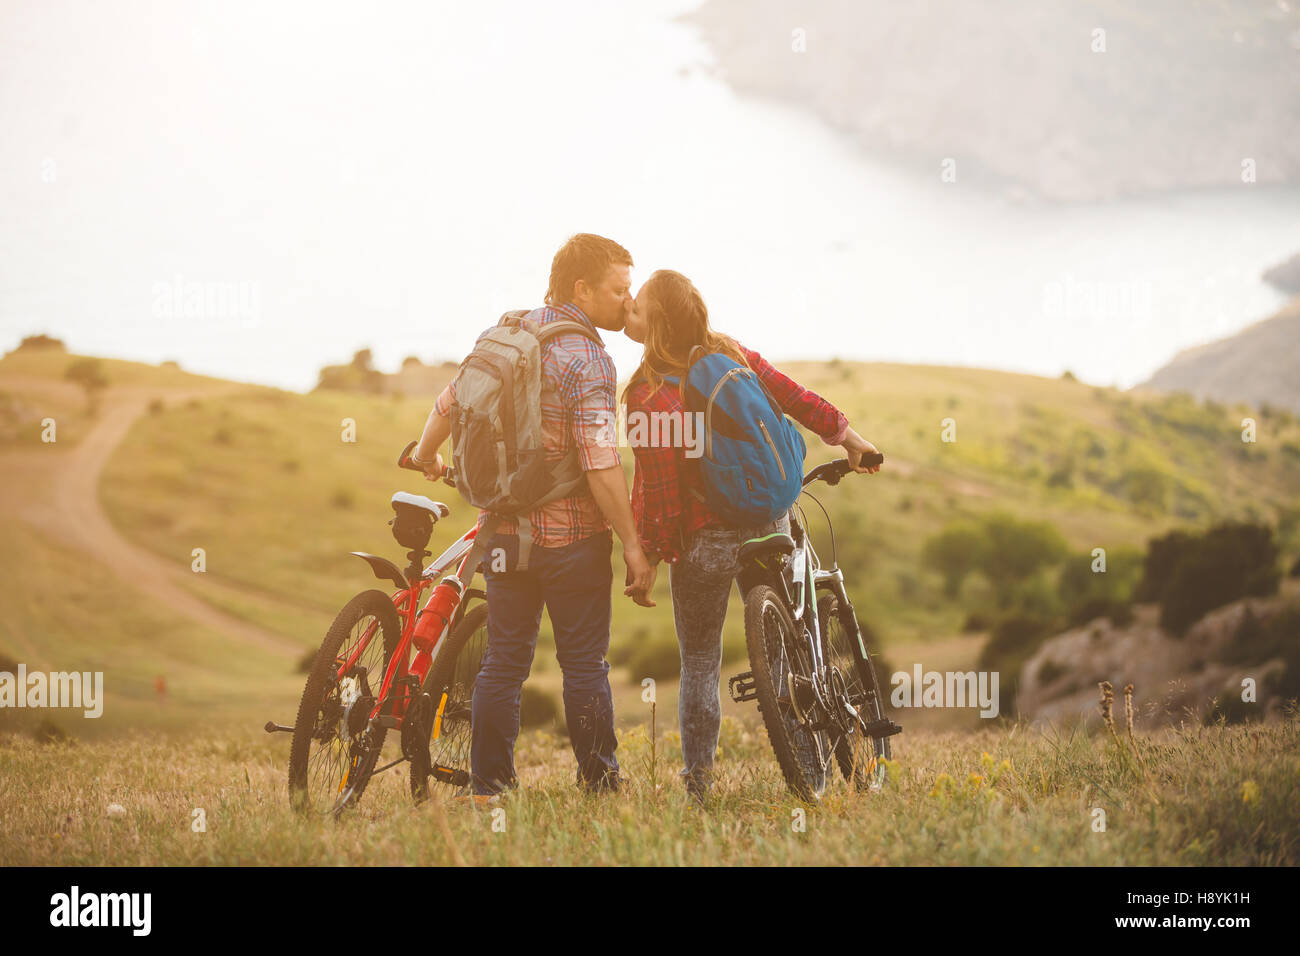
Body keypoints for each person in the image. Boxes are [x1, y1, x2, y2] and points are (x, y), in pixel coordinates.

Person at [621, 269, 881, 802]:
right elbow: (792, 396)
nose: (628, 307)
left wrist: (650, 554)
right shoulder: (730, 353)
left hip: (705, 539)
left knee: (699, 662)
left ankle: (699, 789)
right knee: (785, 654)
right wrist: (850, 439)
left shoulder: (648, 394)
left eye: (637, 305)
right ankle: (812, 770)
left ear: (657, 323)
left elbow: (665, 491)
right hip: (771, 521)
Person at [412, 233, 655, 799]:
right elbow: (599, 462)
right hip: (571, 541)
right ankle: (599, 783)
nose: (628, 301)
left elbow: (451, 402)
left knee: (502, 662)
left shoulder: (505, 334)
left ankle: (488, 785)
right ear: (582, 288)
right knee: (584, 665)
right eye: (619, 290)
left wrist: (425, 454)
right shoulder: (589, 359)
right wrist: (634, 545)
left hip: (502, 533)